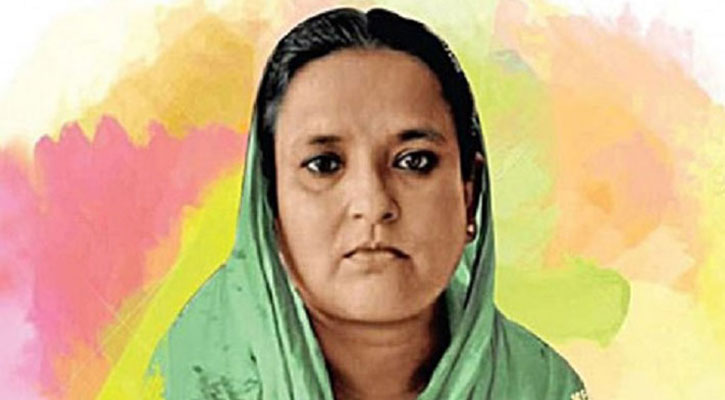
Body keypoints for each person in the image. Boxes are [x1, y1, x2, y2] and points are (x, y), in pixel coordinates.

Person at [147, 7, 587, 400]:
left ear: (469, 195)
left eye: (414, 161)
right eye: (324, 165)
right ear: (269, 208)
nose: (373, 203)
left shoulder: (544, 387)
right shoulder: (186, 382)